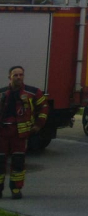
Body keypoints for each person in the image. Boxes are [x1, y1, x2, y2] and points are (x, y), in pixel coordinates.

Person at [0, 65, 49, 199]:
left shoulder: (33, 92)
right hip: (2, 132)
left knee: (18, 162)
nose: (18, 77)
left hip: (20, 133)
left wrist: (38, 125)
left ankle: (16, 189)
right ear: (9, 77)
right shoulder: (2, 93)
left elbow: (44, 107)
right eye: (15, 75)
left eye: (21, 75)